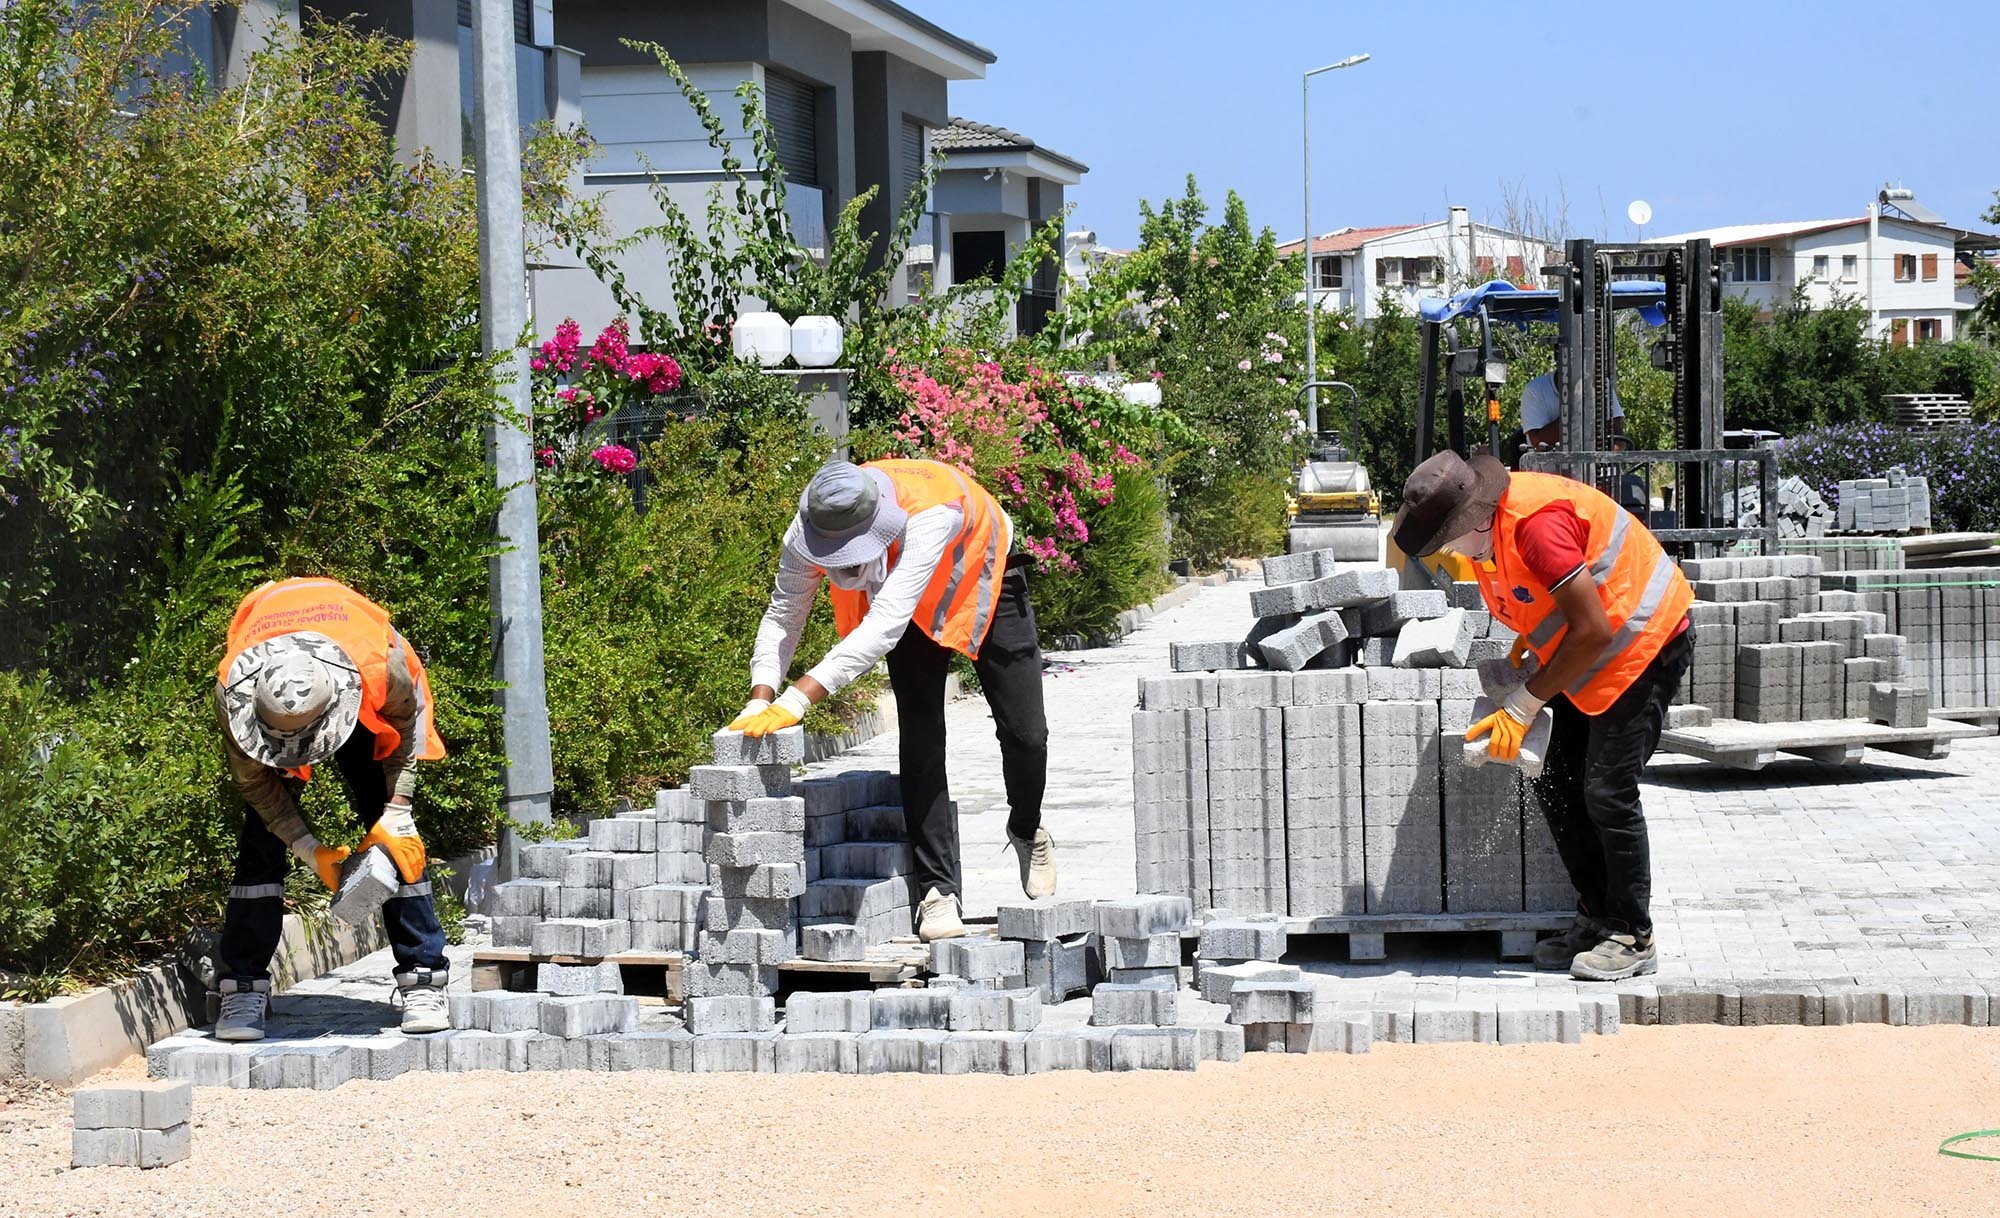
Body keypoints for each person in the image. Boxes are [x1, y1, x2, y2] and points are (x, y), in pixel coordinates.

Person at [1392, 450, 1695, 981]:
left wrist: (1527, 700)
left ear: (1475, 518)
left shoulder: (1536, 526)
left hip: (1644, 641)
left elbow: (1595, 629)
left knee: (1607, 790)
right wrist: (1526, 654)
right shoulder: (1490, 542)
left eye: (1447, 543)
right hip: (1591, 647)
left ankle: (1632, 933)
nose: (1449, 555)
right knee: (1554, 776)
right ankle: (1595, 916)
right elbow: (1543, 606)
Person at [732, 458, 1055, 941]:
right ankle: (938, 893)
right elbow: (784, 613)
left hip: (981, 572)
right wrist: (761, 696)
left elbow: (884, 624)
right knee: (922, 735)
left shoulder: (930, 516)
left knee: (1026, 732)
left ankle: (1028, 830)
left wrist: (798, 699)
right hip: (900, 600)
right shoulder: (812, 523)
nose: (840, 566)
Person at [212, 577, 451, 1040]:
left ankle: (424, 978)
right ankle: (243, 986)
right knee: (261, 839)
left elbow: (405, 733)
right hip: (278, 693)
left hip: (360, 689)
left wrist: (397, 811)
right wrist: (307, 849)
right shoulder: (234, 691)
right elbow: (259, 790)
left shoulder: (383, 666)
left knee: (394, 835)